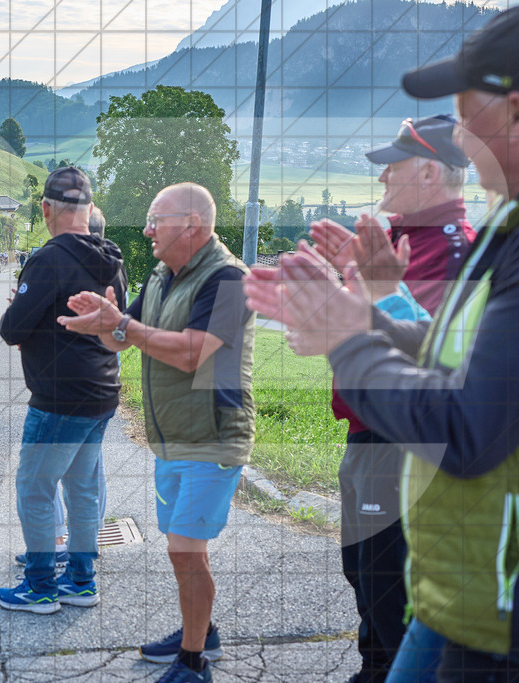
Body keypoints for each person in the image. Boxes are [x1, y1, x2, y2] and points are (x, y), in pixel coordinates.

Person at [243, 8, 519, 680]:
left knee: (380, 601)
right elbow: (455, 359)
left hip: (491, 600)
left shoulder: (469, 244)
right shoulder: (494, 232)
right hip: (466, 577)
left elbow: (465, 424)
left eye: (464, 109)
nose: (457, 130)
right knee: (373, 590)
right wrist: (363, 314)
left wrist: (348, 331)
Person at [59, 183, 256, 683]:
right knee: (183, 546)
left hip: (212, 436)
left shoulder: (228, 278)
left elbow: (193, 351)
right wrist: (102, 324)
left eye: (156, 220)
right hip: (172, 437)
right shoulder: (164, 274)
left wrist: (122, 326)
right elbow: (125, 336)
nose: (147, 230)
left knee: (183, 549)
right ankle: (200, 630)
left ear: (191, 225)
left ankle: (194, 662)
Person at [307, 115, 474, 683]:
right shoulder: (405, 240)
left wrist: (340, 302)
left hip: (402, 442)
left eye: (392, 169)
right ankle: (373, 669)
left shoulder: (449, 252)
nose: (382, 183)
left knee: (387, 583)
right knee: (363, 571)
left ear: (429, 172)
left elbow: (409, 355)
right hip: (368, 433)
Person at [0, 166, 127, 615]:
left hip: (57, 397)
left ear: (47, 209)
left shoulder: (48, 259)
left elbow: (11, 331)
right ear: (89, 210)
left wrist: (22, 311)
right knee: (83, 489)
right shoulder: (113, 258)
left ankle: (39, 587)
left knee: (35, 488)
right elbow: (119, 329)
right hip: (102, 393)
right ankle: (80, 582)